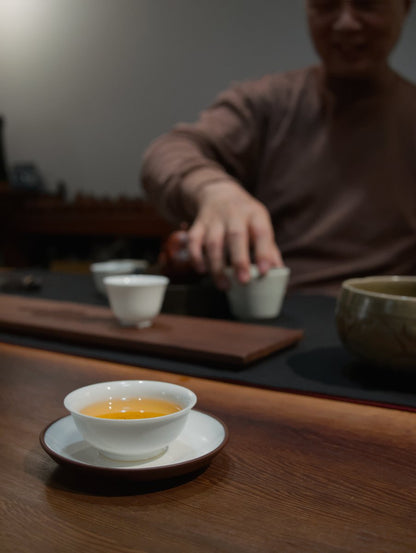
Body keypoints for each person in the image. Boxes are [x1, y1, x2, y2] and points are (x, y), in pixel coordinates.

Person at [141, 0, 416, 295]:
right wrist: (213, 189)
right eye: (326, 5)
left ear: (405, 7)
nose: (345, 23)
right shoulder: (269, 102)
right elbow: (167, 151)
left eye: (367, 4)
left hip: (389, 319)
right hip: (274, 307)